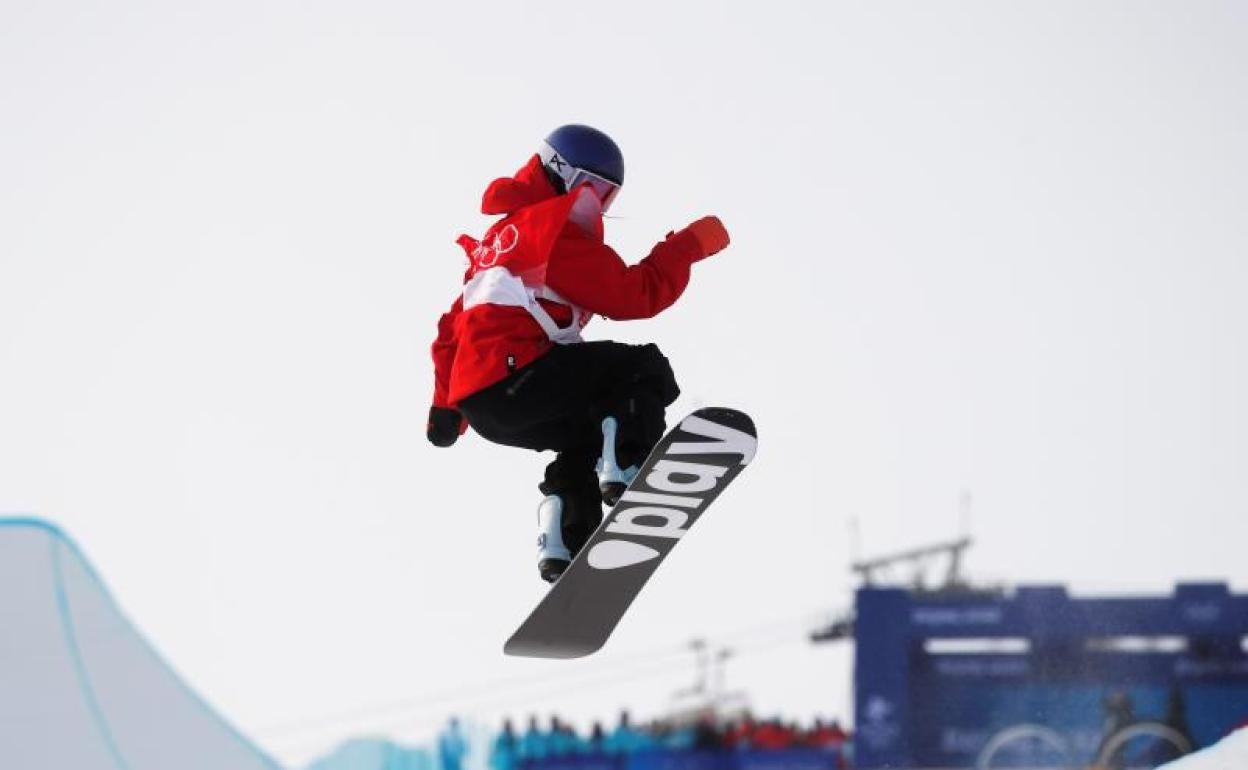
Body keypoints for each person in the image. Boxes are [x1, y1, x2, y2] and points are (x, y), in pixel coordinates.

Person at [426, 124, 731, 582]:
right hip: (520, 377)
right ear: (559, 173)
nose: (598, 201)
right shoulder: (550, 231)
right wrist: (685, 247)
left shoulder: (497, 245)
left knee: (587, 432)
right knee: (641, 370)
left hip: (486, 402)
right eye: (591, 186)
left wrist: (446, 408)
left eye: (607, 194)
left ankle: (564, 537)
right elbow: (634, 295)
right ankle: (627, 463)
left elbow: (454, 328)